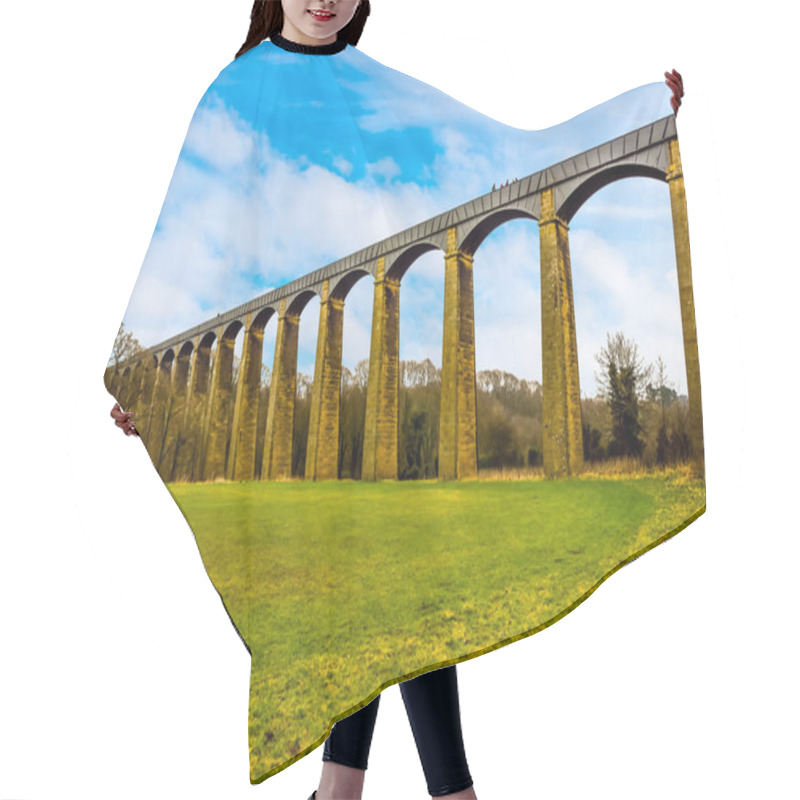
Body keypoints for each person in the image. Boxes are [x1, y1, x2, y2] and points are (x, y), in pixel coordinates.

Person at [109, 2, 685, 798]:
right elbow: (195, 240)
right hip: (306, 383)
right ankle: (422, 792)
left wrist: (644, 112)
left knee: (400, 587)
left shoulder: (377, 87)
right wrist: (147, 387)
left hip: (382, 373)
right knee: (378, 595)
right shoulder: (234, 93)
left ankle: (353, 790)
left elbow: (488, 146)